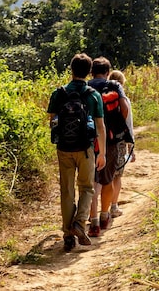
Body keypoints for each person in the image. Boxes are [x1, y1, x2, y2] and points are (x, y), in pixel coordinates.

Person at [47, 53, 106, 252]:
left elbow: (52, 121)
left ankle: (67, 235)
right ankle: (80, 223)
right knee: (87, 187)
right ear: (89, 71)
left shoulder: (59, 93)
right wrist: (103, 153)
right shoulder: (93, 95)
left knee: (67, 191)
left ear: (71, 70)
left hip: (64, 148)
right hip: (86, 149)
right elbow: (100, 126)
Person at [86, 57, 132, 237]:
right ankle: (105, 216)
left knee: (91, 181)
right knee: (108, 179)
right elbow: (124, 108)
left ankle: (93, 221)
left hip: (90, 140)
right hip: (111, 139)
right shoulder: (115, 86)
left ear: (92, 71)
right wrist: (119, 124)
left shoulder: (87, 87)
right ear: (108, 71)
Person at [108, 69, 135, 218]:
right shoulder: (124, 100)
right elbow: (128, 123)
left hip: (105, 140)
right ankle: (113, 206)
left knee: (106, 176)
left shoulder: (101, 97)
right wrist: (132, 145)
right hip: (120, 141)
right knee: (117, 176)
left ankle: (103, 208)